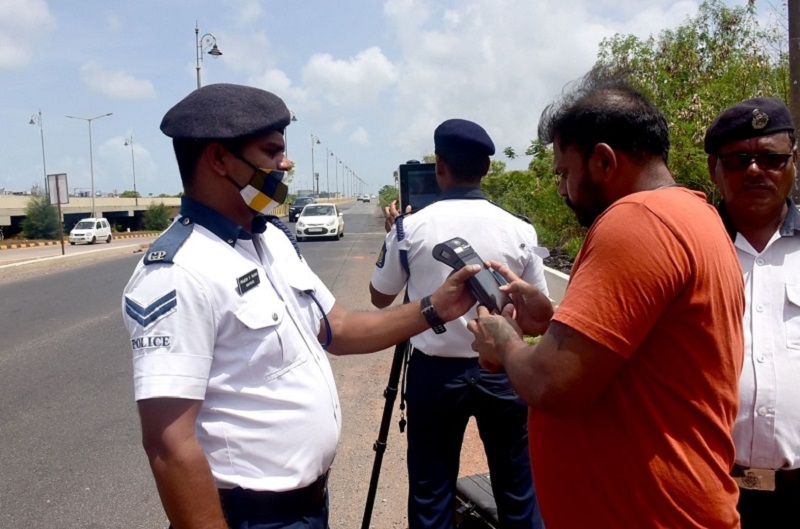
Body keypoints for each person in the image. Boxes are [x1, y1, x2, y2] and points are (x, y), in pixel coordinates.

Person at [121, 83, 480, 529]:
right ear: (218, 159)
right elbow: (168, 443)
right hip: (251, 517)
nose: (285, 163)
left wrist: (434, 308)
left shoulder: (269, 240)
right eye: (271, 151)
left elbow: (339, 328)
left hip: (308, 507)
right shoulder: (178, 271)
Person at [466, 74, 745, 528]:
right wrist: (555, 322)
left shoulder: (635, 221)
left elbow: (550, 385)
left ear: (603, 161)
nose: (561, 189)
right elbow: (642, 361)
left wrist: (505, 340)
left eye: (563, 172)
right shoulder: (698, 215)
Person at [370, 119, 547, 529]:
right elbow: (538, 315)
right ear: (486, 169)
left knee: (431, 494)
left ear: (439, 166)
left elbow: (380, 297)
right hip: (505, 370)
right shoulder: (519, 228)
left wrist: (393, 242)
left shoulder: (409, 228)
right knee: (519, 489)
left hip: (434, 376)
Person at [705, 97, 800, 528]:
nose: (756, 170)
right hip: (709, 486)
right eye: (740, 159)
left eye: (771, 158)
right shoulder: (688, 252)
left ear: (793, 161)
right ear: (715, 170)